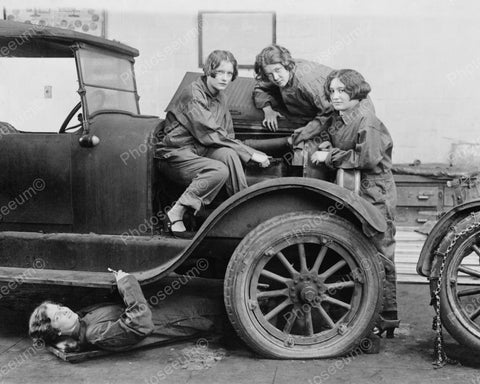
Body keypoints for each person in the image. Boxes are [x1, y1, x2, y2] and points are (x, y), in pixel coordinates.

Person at [310, 69, 399, 337]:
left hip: (375, 190)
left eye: (341, 91)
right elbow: (332, 135)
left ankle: (387, 316)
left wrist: (328, 157)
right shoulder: (341, 117)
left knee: (380, 249)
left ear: (355, 92)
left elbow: (367, 159)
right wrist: (326, 142)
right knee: (356, 249)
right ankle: (364, 314)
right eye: (332, 91)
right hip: (354, 187)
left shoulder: (366, 120)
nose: (335, 96)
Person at [156, 50, 270, 237]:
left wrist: (247, 152)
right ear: (209, 70)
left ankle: (241, 210)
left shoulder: (221, 97)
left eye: (229, 73)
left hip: (200, 150)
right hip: (176, 152)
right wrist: (250, 153)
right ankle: (176, 212)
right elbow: (208, 132)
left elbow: (227, 135)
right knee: (219, 170)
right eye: (220, 72)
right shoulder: (193, 93)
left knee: (229, 154)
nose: (225, 78)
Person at [29, 270, 225, 352]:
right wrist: (126, 283)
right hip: (180, 318)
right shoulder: (93, 333)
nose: (64, 311)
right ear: (58, 332)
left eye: (61, 307)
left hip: (162, 308)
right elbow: (141, 324)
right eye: (57, 316)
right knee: (222, 308)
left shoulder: (82, 319)